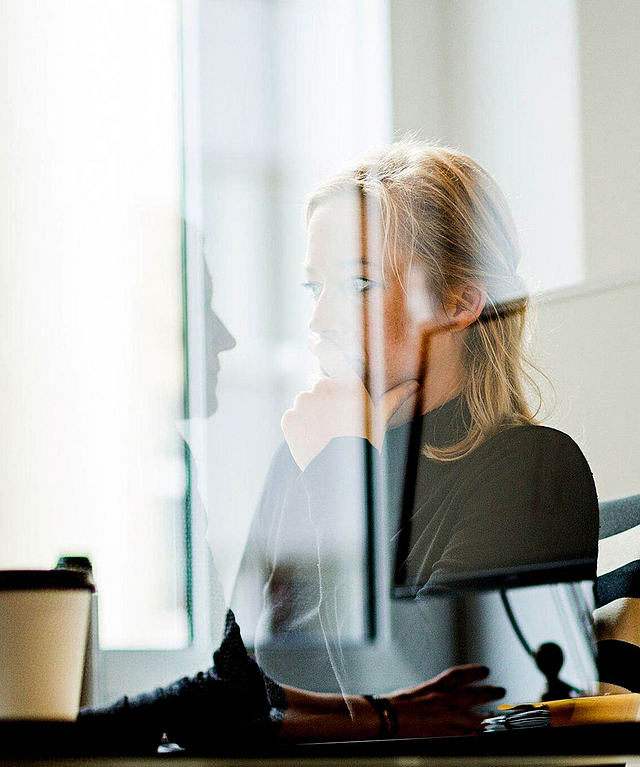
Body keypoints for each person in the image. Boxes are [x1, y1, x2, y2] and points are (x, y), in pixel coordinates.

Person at [78, 139, 597, 754]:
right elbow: (244, 688)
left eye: (358, 283)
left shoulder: (530, 467)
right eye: (314, 287)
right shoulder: (321, 451)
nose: (320, 320)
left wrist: (344, 466)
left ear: (460, 302)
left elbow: (412, 690)